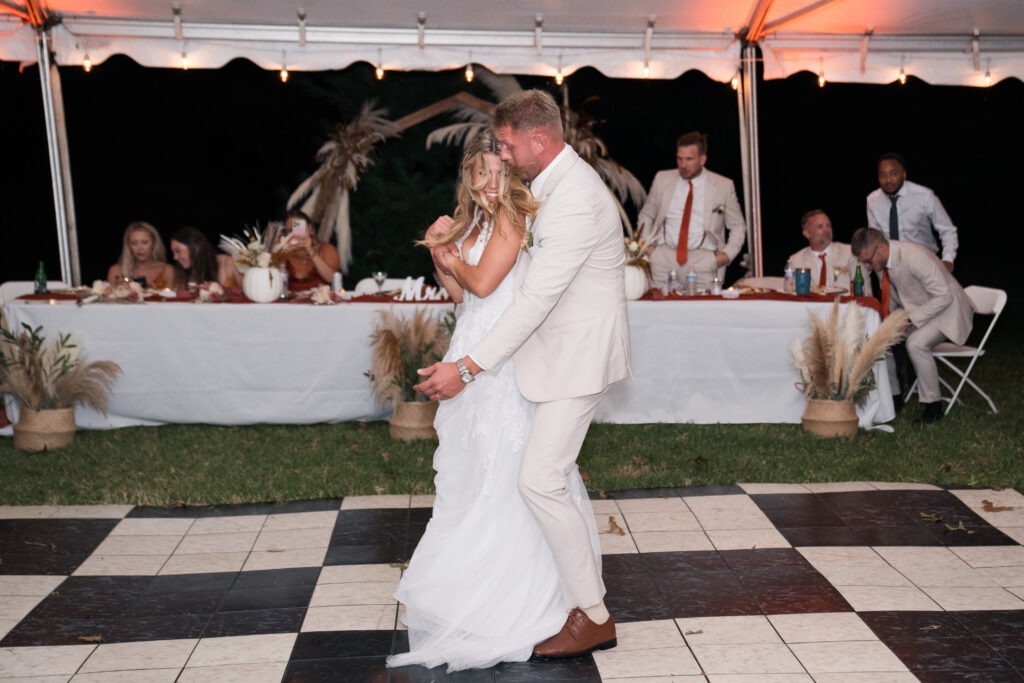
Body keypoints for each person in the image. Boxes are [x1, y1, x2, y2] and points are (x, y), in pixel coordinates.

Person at [413, 90, 631, 661]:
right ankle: (583, 604)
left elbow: (532, 301)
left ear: (540, 139)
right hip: (553, 355)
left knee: (538, 478)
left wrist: (466, 367)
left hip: (577, 357)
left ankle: (593, 616)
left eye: (508, 145)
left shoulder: (576, 198)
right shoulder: (547, 189)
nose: (503, 157)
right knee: (541, 477)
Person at [385, 128, 573, 672]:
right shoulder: (472, 222)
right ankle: (471, 598)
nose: (492, 183)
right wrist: (443, 259)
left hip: (504, 358)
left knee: (506, 470)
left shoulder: (515, 215)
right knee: (470, 471)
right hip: (469, 345)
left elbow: (488, 285)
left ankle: (519, 603)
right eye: (482, 173)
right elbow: (463, 296)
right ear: (468, 176)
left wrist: (447, 252)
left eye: (500, 171)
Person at [851, 228, 973, 423]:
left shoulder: (914, 256)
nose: (868, 266)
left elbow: (944, 296)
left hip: (949, 312)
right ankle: (894, 397)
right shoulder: (883, 262)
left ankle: (933, 406)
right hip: (925, 310)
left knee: (915, 343)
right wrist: (887, 325)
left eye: (868, 261)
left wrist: (910, 319)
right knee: (884, 340)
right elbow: (891, 298)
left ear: (880, 247)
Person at [637, 131, 746, 289]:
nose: (683, 165)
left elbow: (738, 226)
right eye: (679, 158)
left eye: (689, 159)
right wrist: (647, 248)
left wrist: (726, 256)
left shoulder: (723, 186)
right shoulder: (662, 179)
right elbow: (646, 215)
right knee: (659, 311)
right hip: (663, 258)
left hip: (703, 261)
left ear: (702, 159)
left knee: (703, 311)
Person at [867, 152, 959, 272]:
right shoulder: (872, 200)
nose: (888, 180)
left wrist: (948, 259)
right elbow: (874, 238)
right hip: (890, 269)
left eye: (893, 174)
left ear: (904, 174)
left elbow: (948, 230)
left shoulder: (924, 196)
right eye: (882, 175)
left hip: (924, 265)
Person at [787, 209, 870, 294]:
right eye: (820, 226)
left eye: (828, 225)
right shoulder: (795, 261)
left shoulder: (850, 253)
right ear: (807, 233)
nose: (826, 229)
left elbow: (865, 291)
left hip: (844, 306)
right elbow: (791, 294)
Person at [281, 210, 340, 292]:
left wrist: (311, 251)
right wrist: (281, 255)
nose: (294, 234)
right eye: (289, 231)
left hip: (320, 302)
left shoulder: (325, 249)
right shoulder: (282, 253)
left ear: (310, 229)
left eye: (298, 228)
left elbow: (333, 279)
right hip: (290, 303)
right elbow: (270, 281)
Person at [168, 227, 241, 290]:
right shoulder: (183, 275)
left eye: (178, 251)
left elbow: (249, 294)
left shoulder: (228, 262)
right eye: (173, 253)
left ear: (196, 248)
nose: (175, 257)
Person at [106, 221, 175, 289]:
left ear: (153, 243)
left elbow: (172, 298)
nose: (139, 248)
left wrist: (154, 295)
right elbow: (108, 299)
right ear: (128, 246)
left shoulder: (167, 270)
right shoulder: (116, 271)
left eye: (144, 242)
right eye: (134, 243)